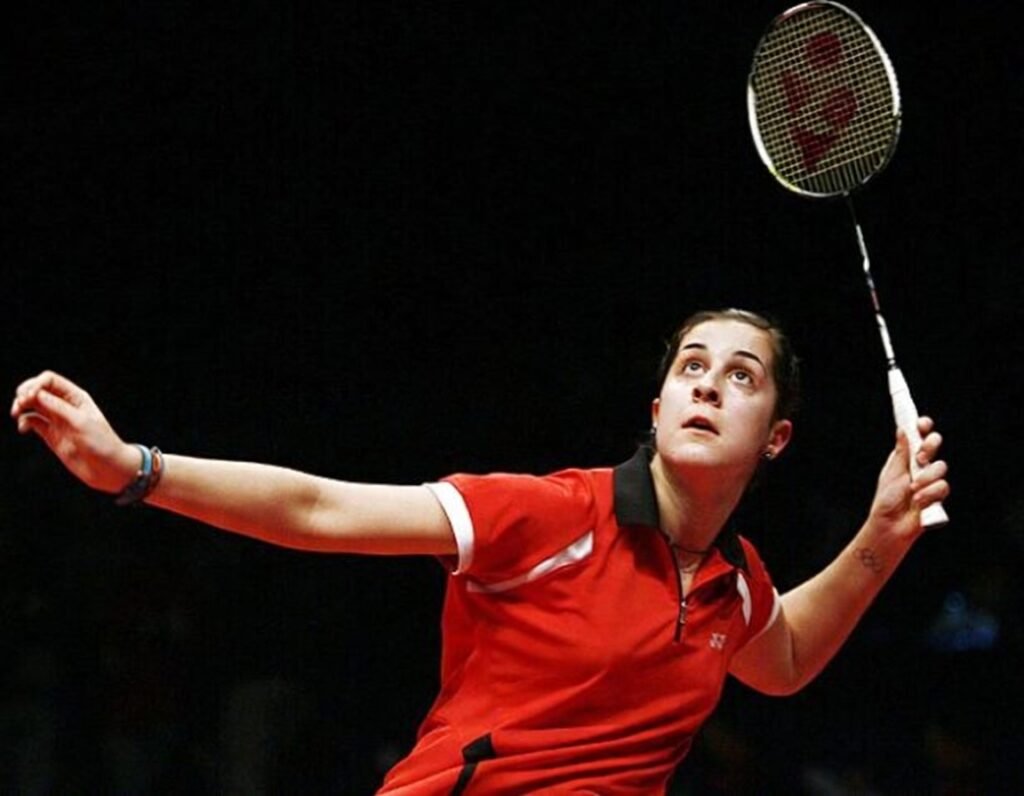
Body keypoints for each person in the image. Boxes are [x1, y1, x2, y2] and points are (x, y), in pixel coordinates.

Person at [10, 307, 949, 794]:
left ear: (776, 437)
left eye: (738, 377)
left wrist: (883, 533)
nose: (706, 386)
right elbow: (321, 509)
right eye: (689, 368)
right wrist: (134, 468)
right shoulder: (549, 517)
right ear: (656, 409)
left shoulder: (735, 587)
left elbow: (779, 660)